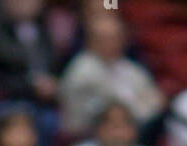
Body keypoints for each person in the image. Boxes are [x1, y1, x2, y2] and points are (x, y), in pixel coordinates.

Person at [59, 8, 163, 136]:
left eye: (116, 38)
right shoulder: (82, 71)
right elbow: (105, 112)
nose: (113, 43)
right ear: (91, 41)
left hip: (135, 132)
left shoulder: (130, 68)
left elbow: (155, 102)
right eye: (105, 38)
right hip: (90, 137)